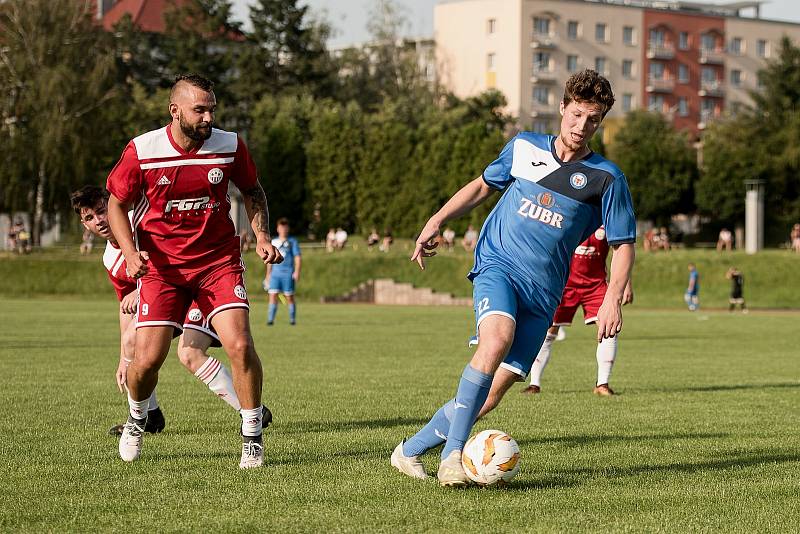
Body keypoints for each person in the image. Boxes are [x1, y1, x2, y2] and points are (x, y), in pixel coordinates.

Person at [390, 69, 635, 486]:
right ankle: (453, 457)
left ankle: (408, 450)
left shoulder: (606, 179)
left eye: (592, 119)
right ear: (561, 109)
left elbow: (624, 242)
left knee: (490, 394)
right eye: (576, 115)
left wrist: (612, 295)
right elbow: (482, 187)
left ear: (601, 121)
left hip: (544, 293)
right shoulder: (523, 147)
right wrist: (436, 220)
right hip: (499, 266)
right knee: (496, 338)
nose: (581, 126)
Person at [105, 74, 283, 469]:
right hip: (162, 269)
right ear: (176, 111)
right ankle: (137, 418)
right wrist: (131, 253)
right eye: (199, 110)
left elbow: (252, 191)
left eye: (212, 109)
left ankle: (252, 435)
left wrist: (263, 237)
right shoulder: (143, 150)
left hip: (217, 264)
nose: (208, 117)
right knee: (147, 359)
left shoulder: (230, 144)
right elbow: (116, 205)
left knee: (239, 344)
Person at [70, 185, 272, 436]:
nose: (99, 220)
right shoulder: (109, 259)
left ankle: (252, 411)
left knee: (190, 353)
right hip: (166, 305)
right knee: (134, 341)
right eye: (90, 218)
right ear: (84, 224)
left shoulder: (144, 221)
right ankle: (150, 417)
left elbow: (178, 252)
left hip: (198, 289)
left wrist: (141, 291)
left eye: (102, 210)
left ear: (114, 206)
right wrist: (124, 356)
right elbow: (126, 308)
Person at [521, 227, 634, 397]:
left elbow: (621, 248)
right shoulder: (570, 212)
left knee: (609, 329)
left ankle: (602, 384)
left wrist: (626, 283)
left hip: (596, 285)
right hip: (565, 285)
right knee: (548, 331)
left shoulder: (606, 217)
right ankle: (534, 384)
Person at [264, 218, 301, 325]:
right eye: (281, 227)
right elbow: (270, 260)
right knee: (273, 295)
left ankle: (292, 320)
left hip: (288, 274)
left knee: (289, 297)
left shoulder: (292, 241)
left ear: (288, 228)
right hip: (275, 275)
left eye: (285, 227)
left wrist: (297, 271)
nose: (283, 229)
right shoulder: (274, 241)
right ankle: (270, 320)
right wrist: (268, 275)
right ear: (277, 228)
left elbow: (297, 257)